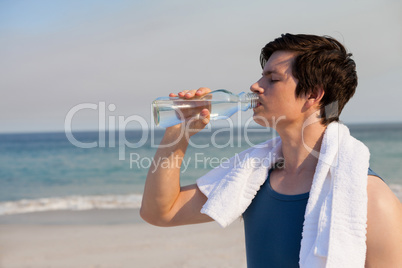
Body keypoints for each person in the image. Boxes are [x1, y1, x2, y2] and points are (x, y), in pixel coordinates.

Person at [140, 34, 402, 267]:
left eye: (273, 78)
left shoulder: (371, 198)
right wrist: (177, 133)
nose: (255, 85)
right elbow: (160, 212)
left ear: (313, 94)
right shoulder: (251, 177)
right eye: (261, 75)